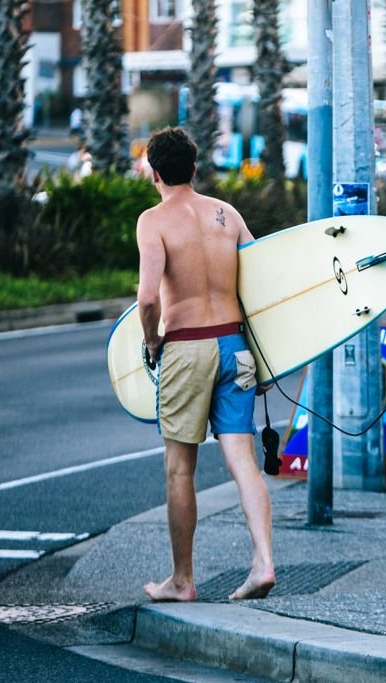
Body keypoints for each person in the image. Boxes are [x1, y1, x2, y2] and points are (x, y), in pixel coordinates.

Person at [137, 127, 275, 602]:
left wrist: (152, 342)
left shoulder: (153, 221)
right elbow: (259, 281)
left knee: (180, 469)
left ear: (154, 173)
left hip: (186, 346)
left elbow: (147, 298)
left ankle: (182, 581)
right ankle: (263, 562)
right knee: (243, 461)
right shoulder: (227, 214)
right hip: (235, 347)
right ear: (194, 169)